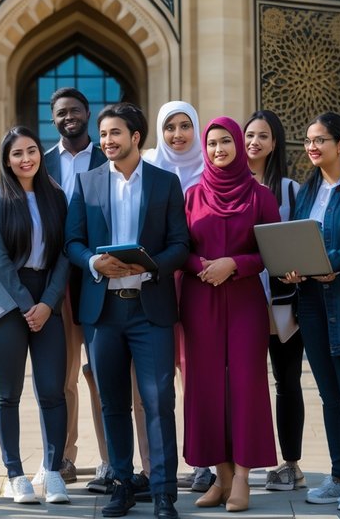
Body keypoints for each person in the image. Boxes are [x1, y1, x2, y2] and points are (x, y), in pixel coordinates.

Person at [66, 102, 190, 519]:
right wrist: (92, 263)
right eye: (103, 135)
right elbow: (73, 241)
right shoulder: (87, 183)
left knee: (158, 402)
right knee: (112, 403)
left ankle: (163, 492)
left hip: (149, 309)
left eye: (114, 133)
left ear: (136, 137)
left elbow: (180, 244)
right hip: (102, 314)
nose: (107, 141)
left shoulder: (165, 182)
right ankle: (120, 484)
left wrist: (149, 265)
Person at [44, 87, 151, 497]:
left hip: (110, 281)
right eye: (60, 113)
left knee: (109, 377)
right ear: (53, 119)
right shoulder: (43, 161)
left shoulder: (107, 157)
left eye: (74, 110)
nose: (68, 117)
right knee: (66, 375)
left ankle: (115, 461)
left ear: (87, 114)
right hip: (62, 285)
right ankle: (66, 456)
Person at [180, 117, 281, 512]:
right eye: (212, 143)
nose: (218, 149)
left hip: (243, 300)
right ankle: (220, 477)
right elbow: (177, 245)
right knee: (204, 386)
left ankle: (242, 477)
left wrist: (234, 264)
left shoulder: (260, 196)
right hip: (199, 296)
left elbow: (271, 252)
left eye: (225, 141)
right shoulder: (191, 196)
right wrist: (201, 264)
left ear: (238, 144)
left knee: (245, 384)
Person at [282, 112, 340, 513]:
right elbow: (296, 237)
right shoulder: (306, 191)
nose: (312, 147)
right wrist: (291, 266)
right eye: (307, 141)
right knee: (327, 394)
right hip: (311, 302)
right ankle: (338, 475)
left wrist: (330, 263)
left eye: (320, 139)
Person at [0, 126, 72, 505]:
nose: (26, 159)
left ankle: (52, 472)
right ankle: (15, 474)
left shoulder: (58, 198)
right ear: (7, 160)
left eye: (31, 150)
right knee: (9, 393)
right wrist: (25, 304)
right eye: (17, 153)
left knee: (53, 390)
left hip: (48, 300)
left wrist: (48, 303)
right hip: (7, 301)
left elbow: (66, 253)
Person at [141, 99, 210, 494]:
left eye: (186, 126)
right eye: (170, 127)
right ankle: (155, 465)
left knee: (197, 374)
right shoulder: (149, 169)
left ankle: (204, 461)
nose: (178, 135)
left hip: (198, 281)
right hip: (158, 283)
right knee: (158, 378)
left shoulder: (210, 170)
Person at [244, 110, 306, 493]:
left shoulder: (289, 190)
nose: (254, 142)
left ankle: (292, 464)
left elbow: (300, 241)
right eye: (249, 134)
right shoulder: (228, 187)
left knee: (287, 381)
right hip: (242, 299)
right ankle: (241, 460)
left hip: (283, 300)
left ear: (275, 142)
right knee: (244, 383)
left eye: (262, 135)